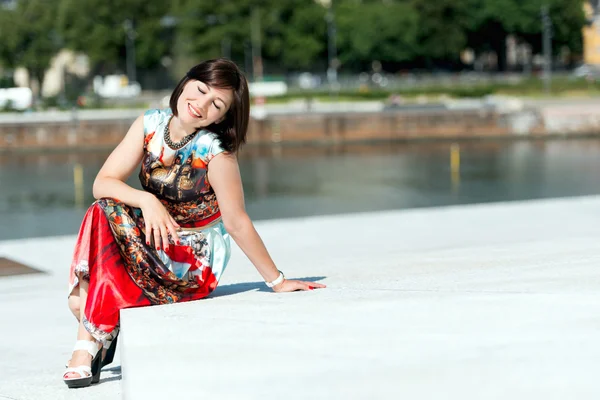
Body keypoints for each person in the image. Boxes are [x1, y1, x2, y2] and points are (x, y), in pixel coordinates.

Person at [62, 58, 326, 388]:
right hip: (154, 238)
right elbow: (102, 182)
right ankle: (93, 330)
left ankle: (85, 342)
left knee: (101, 234)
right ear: (186, 83)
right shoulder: (150, 124)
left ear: (224, 116)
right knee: (103, 208)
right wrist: (147, 199)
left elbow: (237, 222)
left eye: (216, 103)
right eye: (200, 90)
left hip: (192, 261)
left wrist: (278, 281)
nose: (200, 105)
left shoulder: (216, 153)